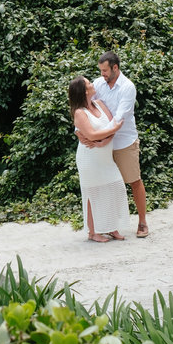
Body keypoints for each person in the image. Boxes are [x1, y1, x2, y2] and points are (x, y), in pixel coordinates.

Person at [91, 51, 150, 238]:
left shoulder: (128, 87)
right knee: (106, 185)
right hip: (103, 143)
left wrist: (100, 137)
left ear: (115, 68)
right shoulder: (98, 84)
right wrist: (83, 132)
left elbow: (119, 119)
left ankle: (142, 223)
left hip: (124, 142)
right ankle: (109, 225)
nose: (102, 74)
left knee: (134, 181)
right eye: (100, 70)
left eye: (105, 70)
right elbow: (86, 107)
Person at [68, 75, 132, 242]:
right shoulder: (79, 113)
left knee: (115, 187)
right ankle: (92, 232)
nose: (92, 83)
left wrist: (105, 139)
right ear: (84, 91)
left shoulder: (100, 104)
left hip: (105, 158)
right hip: (89, 159)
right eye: (89, 83)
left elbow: (112, 125)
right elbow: (91, 134)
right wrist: (107, 133)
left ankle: (111, 228)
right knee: (92, 193)